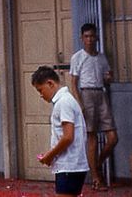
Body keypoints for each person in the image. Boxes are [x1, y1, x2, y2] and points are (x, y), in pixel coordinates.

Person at [69, 22, 118, 189]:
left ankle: (95, 165)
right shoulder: (78, 57)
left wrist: (108, 77)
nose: (89, 40)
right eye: (86, 37)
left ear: (96, 37)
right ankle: (97, 178)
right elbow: (73, 83)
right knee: (92, 137)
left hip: (101, 94)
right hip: (86, 94)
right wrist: (79, 103)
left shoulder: (101, 57)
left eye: (92, 36)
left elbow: (107, 76)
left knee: (112, 137)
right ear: (82, 38)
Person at [32, 65, 89, 197]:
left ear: (50, 83)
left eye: (41, 90)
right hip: (70, 164)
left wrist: (50, 155)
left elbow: (68, 137)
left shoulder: (64, 102)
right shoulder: (64, 101)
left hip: (69, 165)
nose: (41, 95)